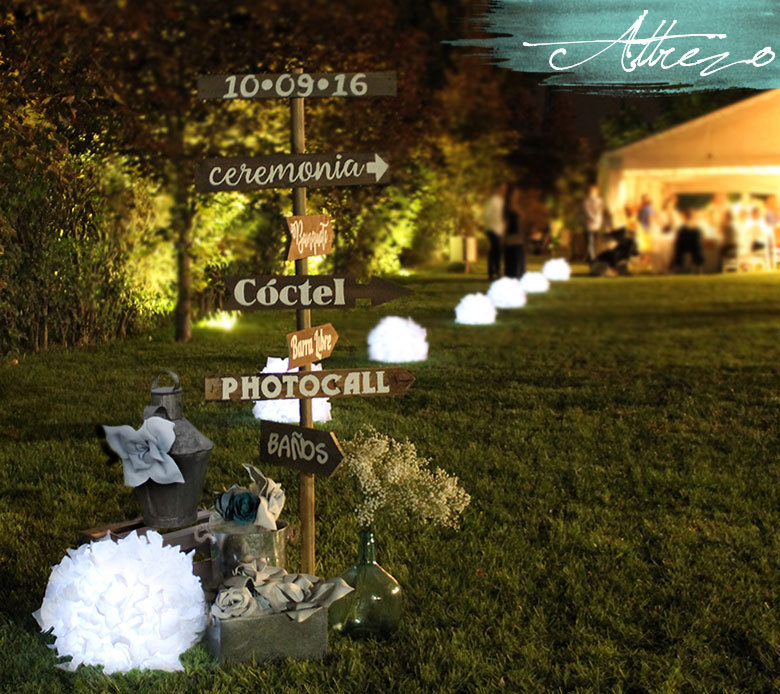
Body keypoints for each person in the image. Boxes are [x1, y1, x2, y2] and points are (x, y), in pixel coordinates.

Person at [481, 183, 506, 280]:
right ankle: (493, 271)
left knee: (497, 250)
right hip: (492, 228)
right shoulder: (493, 201)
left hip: (499, 229)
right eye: (502, 188)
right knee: (496, 249)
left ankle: (496, 271)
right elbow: (486, 214)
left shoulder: (502, 201)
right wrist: (490, 224)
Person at [504, 186, 527, 278]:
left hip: (518, 233)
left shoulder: (517, 206)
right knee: (513, 255)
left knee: (519, 255)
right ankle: (512, 274)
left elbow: (523, 218)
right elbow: (505, 221)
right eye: (515, 194)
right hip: (511, 234)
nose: (517, 196)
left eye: (518, 194)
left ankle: (519, 273)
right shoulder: (507, 207)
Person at [582, 184, 603, 263]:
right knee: (590, 241)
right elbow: (587, 211)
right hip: (590, 223)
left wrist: (596, 218)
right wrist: (593, 218)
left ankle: (590, 257)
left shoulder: (599, 201)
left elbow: (599, 211)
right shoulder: (587, 201)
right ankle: (591, 257)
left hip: (596, 223)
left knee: (593, 242)